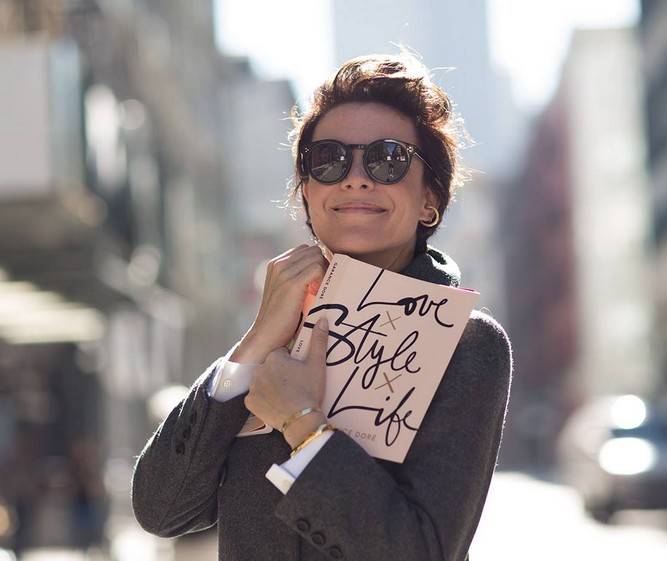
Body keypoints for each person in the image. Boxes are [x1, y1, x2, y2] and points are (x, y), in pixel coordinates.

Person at [132, 53, 512, 561]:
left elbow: (421, 551)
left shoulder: (465, 344)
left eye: (388, 158)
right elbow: (162, 511)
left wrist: (302, 425)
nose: (356, 178)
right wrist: (254, 343)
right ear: (307, 194)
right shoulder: (281, 332)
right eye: (329, 159)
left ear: (430, 200)